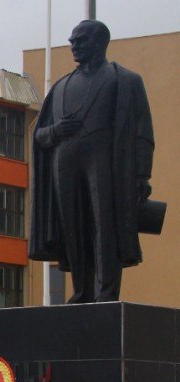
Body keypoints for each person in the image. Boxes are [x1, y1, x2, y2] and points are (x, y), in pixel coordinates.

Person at [30, 19, 155, 303]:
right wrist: (56, 131)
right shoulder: (60, 87)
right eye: (72, 41)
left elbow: (142, 133)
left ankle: (106, 292)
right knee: (73, 228)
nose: (74, 46)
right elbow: (40, 136)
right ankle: (82, 290)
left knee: (105, 226)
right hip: (65, 163)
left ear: (99, 42)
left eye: (81, 40)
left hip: (106, 163)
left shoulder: (124, 80)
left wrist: (141, 175)